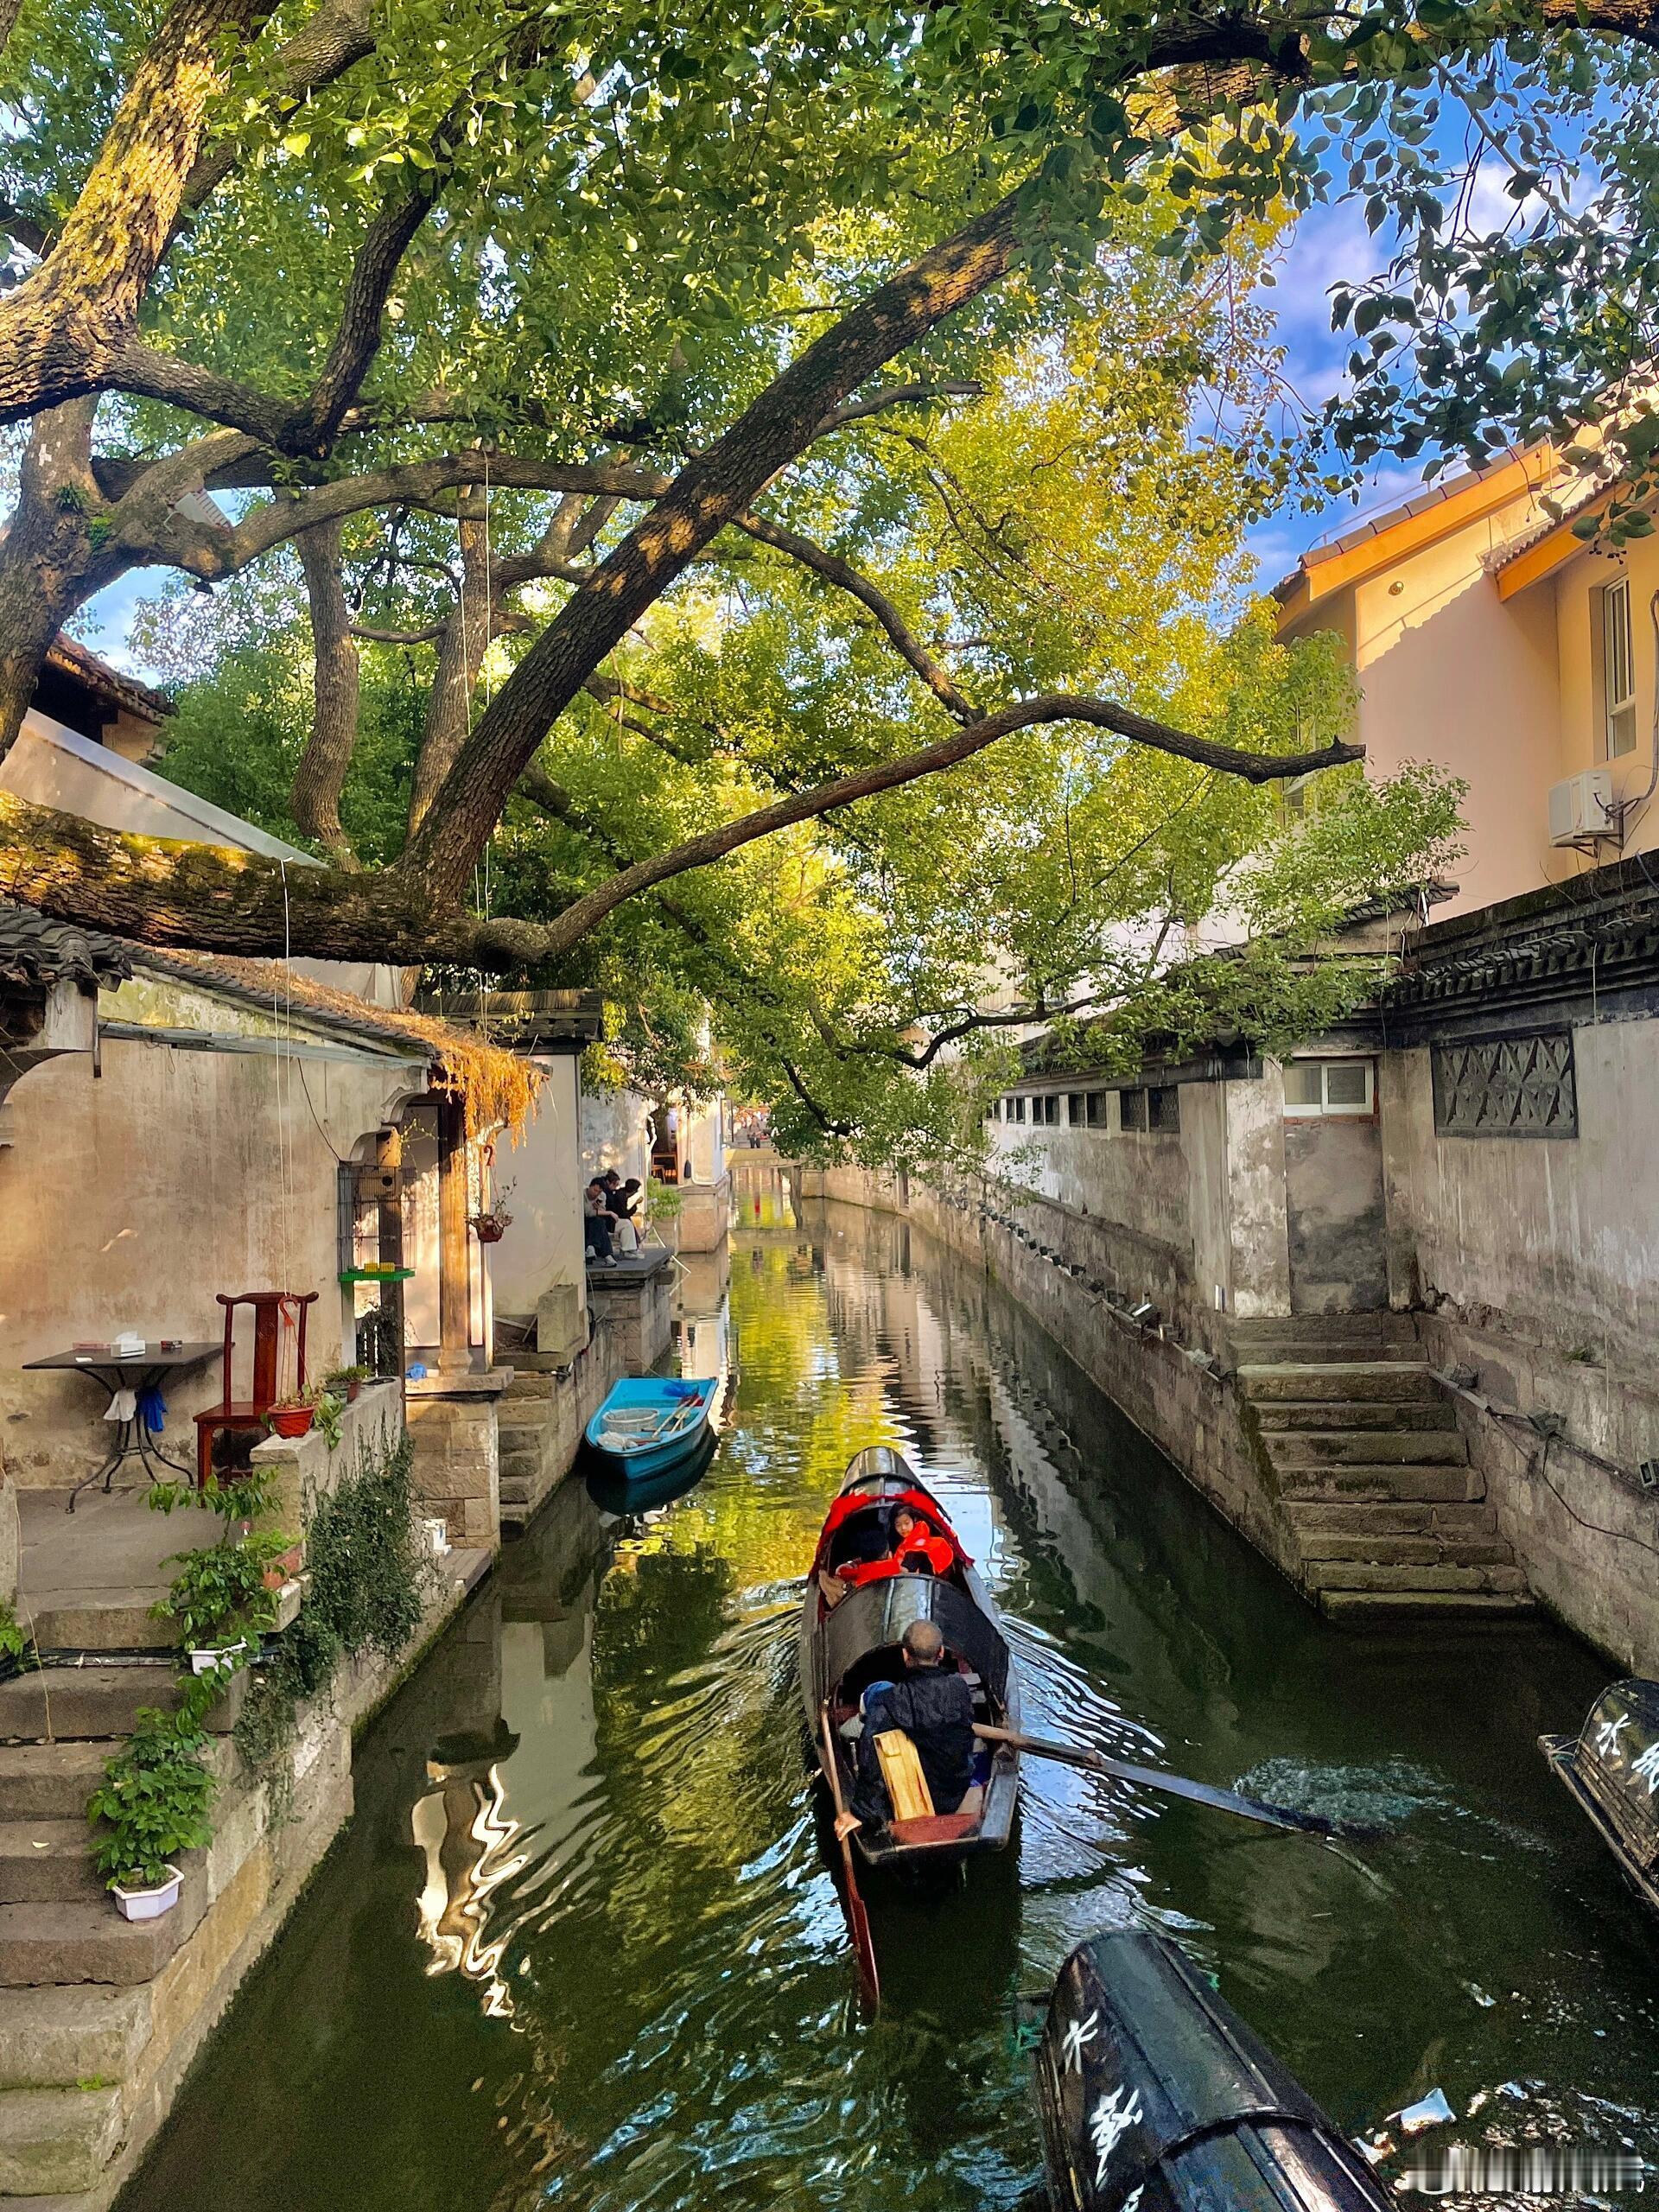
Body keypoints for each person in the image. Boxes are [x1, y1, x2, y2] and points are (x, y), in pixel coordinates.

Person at [839, 1618, 976, 1834]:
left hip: (916, 1796)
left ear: (905, 1655)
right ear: (941, 1653)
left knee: (877, 1692)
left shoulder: (891, 1701)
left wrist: (860, 1813)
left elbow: (870, 1760)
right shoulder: (960, 1688)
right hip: (955, 1790)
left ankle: (847, 1725)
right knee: (880, 1692)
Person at [583, 1180, 616, 1265]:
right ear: (590, 1186)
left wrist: (598, 1210)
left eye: (599, 1192)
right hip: (584, 1222)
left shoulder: (601, 1196)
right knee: (599, 1223)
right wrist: (610, 1213)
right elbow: (588, 1213)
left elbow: (602, 1210)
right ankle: (607, 1255)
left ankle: (591, 1247)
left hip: (595, 1222)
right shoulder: (583, 1194)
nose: (596, 1194)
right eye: (595, 1190)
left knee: (600, 1222)